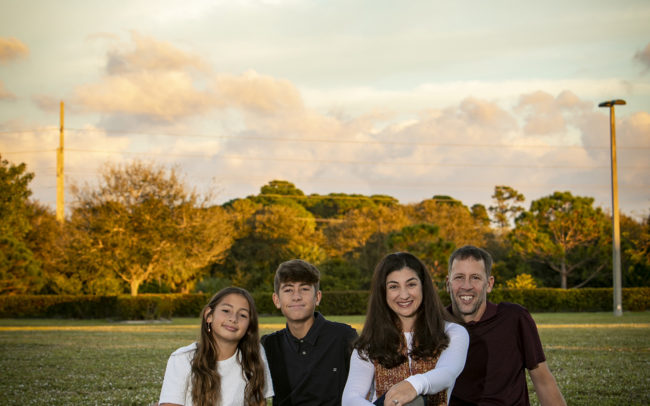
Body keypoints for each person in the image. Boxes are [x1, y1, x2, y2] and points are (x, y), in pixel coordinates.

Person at [342, 252, 469, 406]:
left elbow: (447, 373)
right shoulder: (368, 345)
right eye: (394, 286)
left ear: (423, 286)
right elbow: (350, 399)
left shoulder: (452, 333)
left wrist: (413, 385)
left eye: (411, 284)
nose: (404, 295)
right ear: (383, 293)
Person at [446, 245, 566, 406]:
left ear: (489, 284)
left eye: (475, 277)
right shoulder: (436, 324)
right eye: (459, 277)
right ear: (448, 283)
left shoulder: (514, 318)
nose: (466, 285)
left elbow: (543, 380)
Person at [261, 259, 359, 406]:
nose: (296, 296)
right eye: (288, 290)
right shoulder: (269, 345)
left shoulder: (343, 337)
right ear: (276, 300)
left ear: (317, 297)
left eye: (304, 289)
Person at [159, 287, 273, 406]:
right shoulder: (182, 358)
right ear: (209, 315)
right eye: (226, 310)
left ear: (249, 326)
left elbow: (259, 402)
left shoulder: (256, 354)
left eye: (243, 315)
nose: (233, 319)